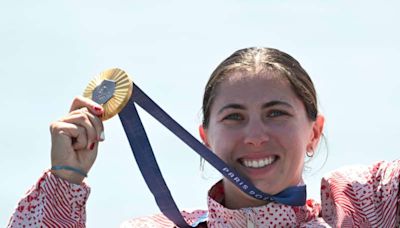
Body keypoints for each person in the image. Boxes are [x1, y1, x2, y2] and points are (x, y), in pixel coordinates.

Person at [7, 47, 400, 227]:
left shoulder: (363, 207)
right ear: (205, 137)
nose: (255, 135)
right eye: (234, 117)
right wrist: (64, 181)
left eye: (276, 113)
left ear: (314, 132)